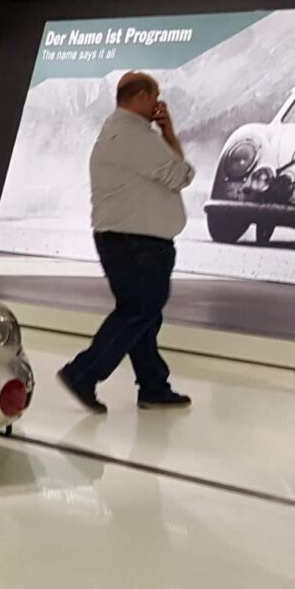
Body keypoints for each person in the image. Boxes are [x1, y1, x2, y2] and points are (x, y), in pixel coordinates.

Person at [60, 71, 195, 412]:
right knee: (141, 310)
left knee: (143, 316)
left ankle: (153, 386)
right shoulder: (136, 136)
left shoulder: (112, 132)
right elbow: (181, 175)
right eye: (154, 97)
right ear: (141, 97)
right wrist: (168, 132)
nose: (157, 105)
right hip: (140, 243)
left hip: (121, 240)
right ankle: (83, 372)